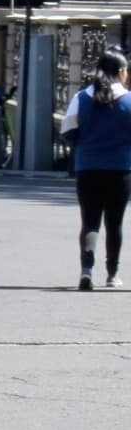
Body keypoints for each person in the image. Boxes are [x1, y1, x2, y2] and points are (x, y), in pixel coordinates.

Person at [71, 50, 131, 290]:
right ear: (120, 73)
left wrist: (86, 145)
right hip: (121, 169)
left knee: (90, 222)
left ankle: (86, 271)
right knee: (114, 223)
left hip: (87, 167)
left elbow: (68, 130)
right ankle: (112, 274)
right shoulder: (128, 100)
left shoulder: (81, 97)